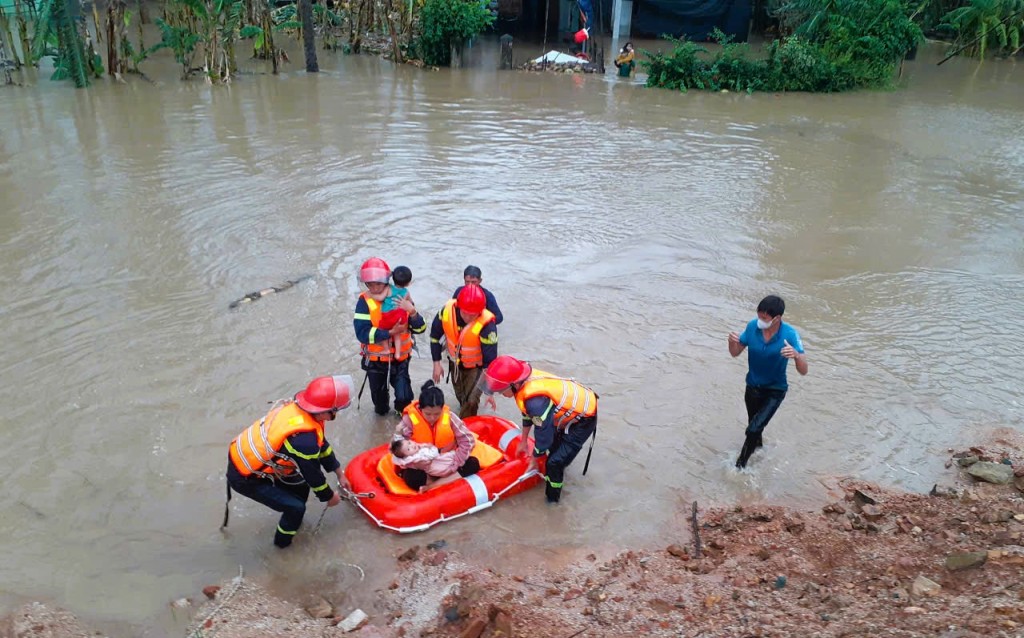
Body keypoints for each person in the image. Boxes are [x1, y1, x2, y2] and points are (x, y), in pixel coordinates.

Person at [225, 375, 353, 548]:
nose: (336, 414)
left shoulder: (301, 413)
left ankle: (294, 522)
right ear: (323, 411)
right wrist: (329, 497)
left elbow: (322, 446)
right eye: (335, 410)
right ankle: (282, 546)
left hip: (249, 459)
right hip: (245, 477)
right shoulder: (303, 440)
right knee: (296, 508)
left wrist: (339, 473)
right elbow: (313, 475)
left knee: (300, 487)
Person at [480, 356, 598, 504]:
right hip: (567, 412)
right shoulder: (524, 386)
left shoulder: (535, 402)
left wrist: (536, 457)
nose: (500, 394)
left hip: (583, 420)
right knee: (555, 450)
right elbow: (528, 414)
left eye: (501, 390)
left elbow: (544, 435)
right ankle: (559, 470)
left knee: (554, 462)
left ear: (515, 384)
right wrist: (523, 441)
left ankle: (552, 502)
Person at [727, 295, 808, 469]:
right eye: (759, 316)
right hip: (752, 387)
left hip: (775, 390)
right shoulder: (752, 327)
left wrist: (796, 355)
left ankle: (739, 468)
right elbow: (735, 353)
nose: (760, 321)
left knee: (753, 429)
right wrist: (730, 342)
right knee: (754, 426)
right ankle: (759, 451)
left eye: (764, 318)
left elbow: (804, 370)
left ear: (777, 318)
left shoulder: (789, 334)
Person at [353, 257, 426, 416]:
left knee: (405, 398)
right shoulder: (364, 302)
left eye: (378, 284)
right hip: (375, 362)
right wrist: (389, 333)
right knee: (380, 405)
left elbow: (420, 328)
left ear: (387, 281)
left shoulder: (402, 297)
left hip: (400, 360)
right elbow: (362, 333)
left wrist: (412, 312)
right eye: (370, 284)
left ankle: (403, 422)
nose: (374, 288)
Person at [392, 381, 481, 491]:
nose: (432, 418)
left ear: (442, 409)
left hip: (448, 460)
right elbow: (398, 448)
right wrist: (417, 464)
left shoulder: (450, 417)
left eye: (437, 414)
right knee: (411, 477)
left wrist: (456, 463)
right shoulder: (409, 420)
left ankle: (432, 486)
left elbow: (467, 441)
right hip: (423, 465)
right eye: (428, 414)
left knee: (473, 463)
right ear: (420, 408)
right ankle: (439, 481)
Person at [431, 284, 499, 418]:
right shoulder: (446, 312)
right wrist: (436, 364)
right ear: (458, 306)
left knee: (471, 401)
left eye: (472, 314)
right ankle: (465, 415)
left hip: (477, 368)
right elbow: (435, 338)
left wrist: (489, 390)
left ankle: (465, 429)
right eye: (465, 313)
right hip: (455, 363)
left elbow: (490, 362)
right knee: (461, 397)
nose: (468, 317)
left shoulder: (487, 326)